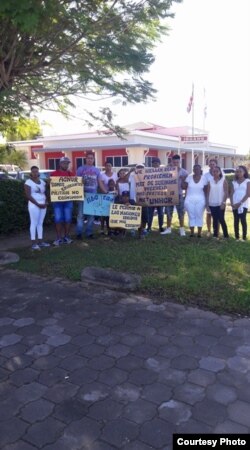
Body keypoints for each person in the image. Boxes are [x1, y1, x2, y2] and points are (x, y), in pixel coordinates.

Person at [76, 151, 107, 239]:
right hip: (82, 195)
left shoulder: (96, 170)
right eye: (88, 158)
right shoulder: (80, 169)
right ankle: (79, 233)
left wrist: (105, 191)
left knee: (91, 215)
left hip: (92, 196)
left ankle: (89, 233)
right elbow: (76, 183)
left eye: (91, 158)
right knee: (80, 215)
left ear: (93, 159)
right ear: (85, 159)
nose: (90, 160)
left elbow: (100, 182)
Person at [50, 156, 75, 245]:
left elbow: (76, 186)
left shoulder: (71, 174)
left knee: (68, 219)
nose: (66, 164)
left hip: (68, 200)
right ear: (60, 164)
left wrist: (80, 183)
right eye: (64, 163)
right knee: (58, 219)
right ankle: (58, 238)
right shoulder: (53, 174)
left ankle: (66, 237)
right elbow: (50, 186)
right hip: (57, 201)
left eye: (67, 163)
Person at [161, 154, 188, 236]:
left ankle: (182, 229)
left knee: (181, 213)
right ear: (172, 162)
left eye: (177, 162)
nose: (176, 163)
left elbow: (185, 187)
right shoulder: (167, 170)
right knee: (169, 212)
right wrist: (168, 166)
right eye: (174, 162)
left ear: (180, 162)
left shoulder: (184, 172)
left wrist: (183, 180)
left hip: (179, 194)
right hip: (169, 194)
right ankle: (168, 228)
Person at [24, 166, 50, 250]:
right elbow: (28, 195)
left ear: (38, 172)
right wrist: (38, 204)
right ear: (31, 173)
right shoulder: (28, 182)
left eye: (36, 171)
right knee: (34, 223)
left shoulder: (42, 182)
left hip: (43, 205)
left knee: (40, 223)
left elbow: (45, 193)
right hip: (34, 205)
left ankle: (41, 242)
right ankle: (34, 243)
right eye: (33, 172)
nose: (35, 173)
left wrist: (46, 202)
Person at [182, 164, 207, 237]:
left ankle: (199, 233)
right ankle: (192, 233)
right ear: (193, 170)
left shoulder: (204, 178)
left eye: (198, 169)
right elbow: (184, 187)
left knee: (199, 215)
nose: (196, 170)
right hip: (189, 200)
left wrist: (207, 202)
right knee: (191, 216)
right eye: (195, 169)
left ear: (200, 170)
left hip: (201, 200)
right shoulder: (189, 178)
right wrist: (183, 179)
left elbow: (206, 190)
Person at [206, 166, 229, 239]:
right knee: (215, 220)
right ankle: (215, 235)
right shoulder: (210, 181)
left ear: (220, 172)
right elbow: (207, 193)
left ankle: (226, 235)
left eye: (217, 171)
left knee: (221, 219)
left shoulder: (223, 180)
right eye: (214, 171)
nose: (215, 173)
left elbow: (226, 192)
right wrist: (207, 204)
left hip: (220, 203)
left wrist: (224, 202)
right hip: (212, 203)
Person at [230, 165, 250, 241]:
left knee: (243, 220)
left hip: (243, 204)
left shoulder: (247, 181)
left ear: (244, 172)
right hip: (235, 204)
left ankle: (244, 237)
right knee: (236, 220)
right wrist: (232, 203)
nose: (238, 173)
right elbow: (231, 193)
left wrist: (240, 203)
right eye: (237, 172)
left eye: (240, 171)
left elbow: (248, 194)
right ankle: (237, 237)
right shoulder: (233, 182)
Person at [147, 157, 164, 233]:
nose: (155, 164)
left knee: (160, 213)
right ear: (152, 164)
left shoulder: (163, 172)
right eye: (154, 163)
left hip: (160, 195)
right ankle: (149, 227)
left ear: (159, 164)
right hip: (151, 196)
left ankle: (161, 227)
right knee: (150, 213)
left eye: (156, 163)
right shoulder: (148, 172)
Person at [203, 158, 218, 236]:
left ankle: (217, 231)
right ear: (209, 165)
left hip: (218, 197)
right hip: (209, 197)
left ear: (216, 165)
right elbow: (204, 187)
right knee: (208, 214)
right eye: (210, 164)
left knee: (217, 215)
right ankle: (209, 231)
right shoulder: (206, 175)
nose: (212, 166)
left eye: (213, 164)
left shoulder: (221, 174)